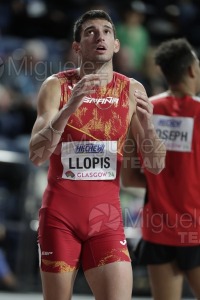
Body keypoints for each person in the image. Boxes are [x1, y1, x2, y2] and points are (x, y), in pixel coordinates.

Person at [29, 10, 166, 300]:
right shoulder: (56, 86)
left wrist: (150, 128)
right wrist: (70, 106)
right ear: (77, 47)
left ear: (116, 44)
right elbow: (37, 155)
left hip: (106, 219)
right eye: (90, 31)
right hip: (60, 218)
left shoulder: (132, 90)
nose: (100, 36)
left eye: (106, 31)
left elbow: (155, 166)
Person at [121, 37, 200, 300]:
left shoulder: (143, 111)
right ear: (191, 70)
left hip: (158, 230)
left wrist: (161, 184)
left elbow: (130, 178)